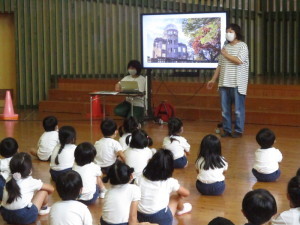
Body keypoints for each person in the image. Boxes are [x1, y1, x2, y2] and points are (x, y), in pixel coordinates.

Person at [207, 23, 249, 138]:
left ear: (237, 33)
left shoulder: (243, 46)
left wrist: (226, 54)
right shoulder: (225, 47)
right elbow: (220, 65)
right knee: (225, 110)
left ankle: (239, 130)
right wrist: (213, 79)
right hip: (223, 83)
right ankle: (227, 129)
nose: (228, 34)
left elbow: (239, 60)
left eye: (231, 31)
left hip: (237, 83)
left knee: (238, 110)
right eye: (227, 31)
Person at [136, 149, 192, 225]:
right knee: (175, 197)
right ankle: (182, 209)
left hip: (140, 217)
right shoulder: (169, 181)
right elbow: (186, 193)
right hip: (161, 219)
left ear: (150, 163)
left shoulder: (139, 178)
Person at [0, 152, 54, 225]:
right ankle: (44, 209)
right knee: (43, 191)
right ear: (30, 171)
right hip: (24, 217)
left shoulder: (8, 179)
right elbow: (51, 189)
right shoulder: (30, 181)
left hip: (5, 215)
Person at [101, 160, 141, 225]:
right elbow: (132, 221)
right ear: (131, 175)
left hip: (104, 222)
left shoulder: (108, 191)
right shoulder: (134, 189)